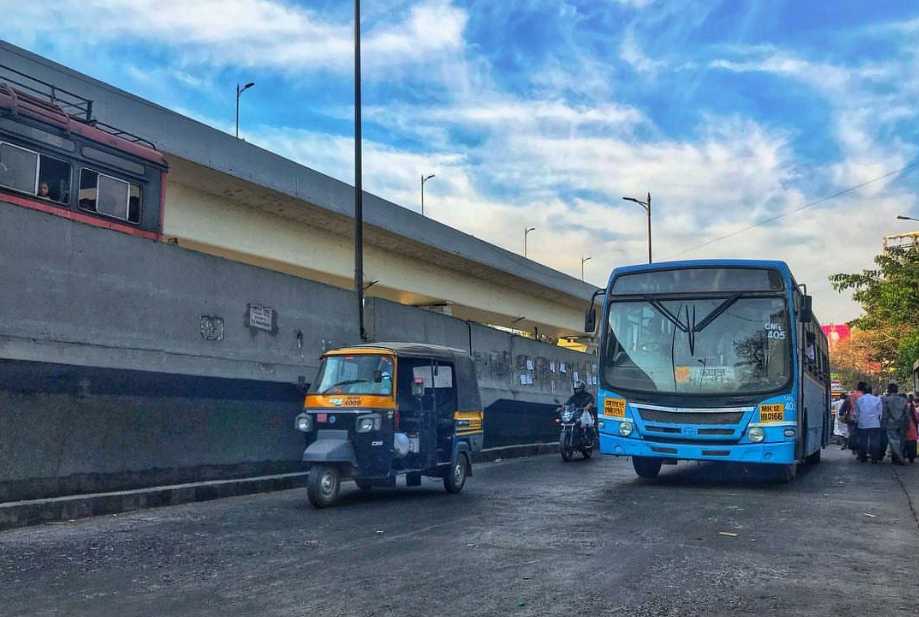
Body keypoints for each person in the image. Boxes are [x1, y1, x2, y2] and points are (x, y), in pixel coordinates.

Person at [854, 382, 883, 463]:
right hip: (875, 423)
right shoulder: (877, 399)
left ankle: (863, 457)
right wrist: (878, 421)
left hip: (863, 423)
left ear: (863, 391)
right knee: (875, 441)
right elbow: (881, 413)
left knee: (863, 441)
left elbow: (857, 413)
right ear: (871, 391)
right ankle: (874, 458)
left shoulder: (859, 400)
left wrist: (857, 421)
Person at [883, 383, 909, 465]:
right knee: (901, 441)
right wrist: (907, 423)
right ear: (897, 390)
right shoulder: (904, 400)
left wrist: (883, 423)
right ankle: (898, 458)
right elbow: (907, 413)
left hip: (891, 423)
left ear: (889, 390)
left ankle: (899, 458)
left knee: (893, 441)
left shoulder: (886, 400)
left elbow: (885, 414)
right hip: (902, 422)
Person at [904, 394, 917, 464]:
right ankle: (911, 457)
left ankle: (905, 455)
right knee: (912, 442)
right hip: (912, 426)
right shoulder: (912, 407)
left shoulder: (905, 406)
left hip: (906, 425)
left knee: (906, 441)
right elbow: (916, 417)